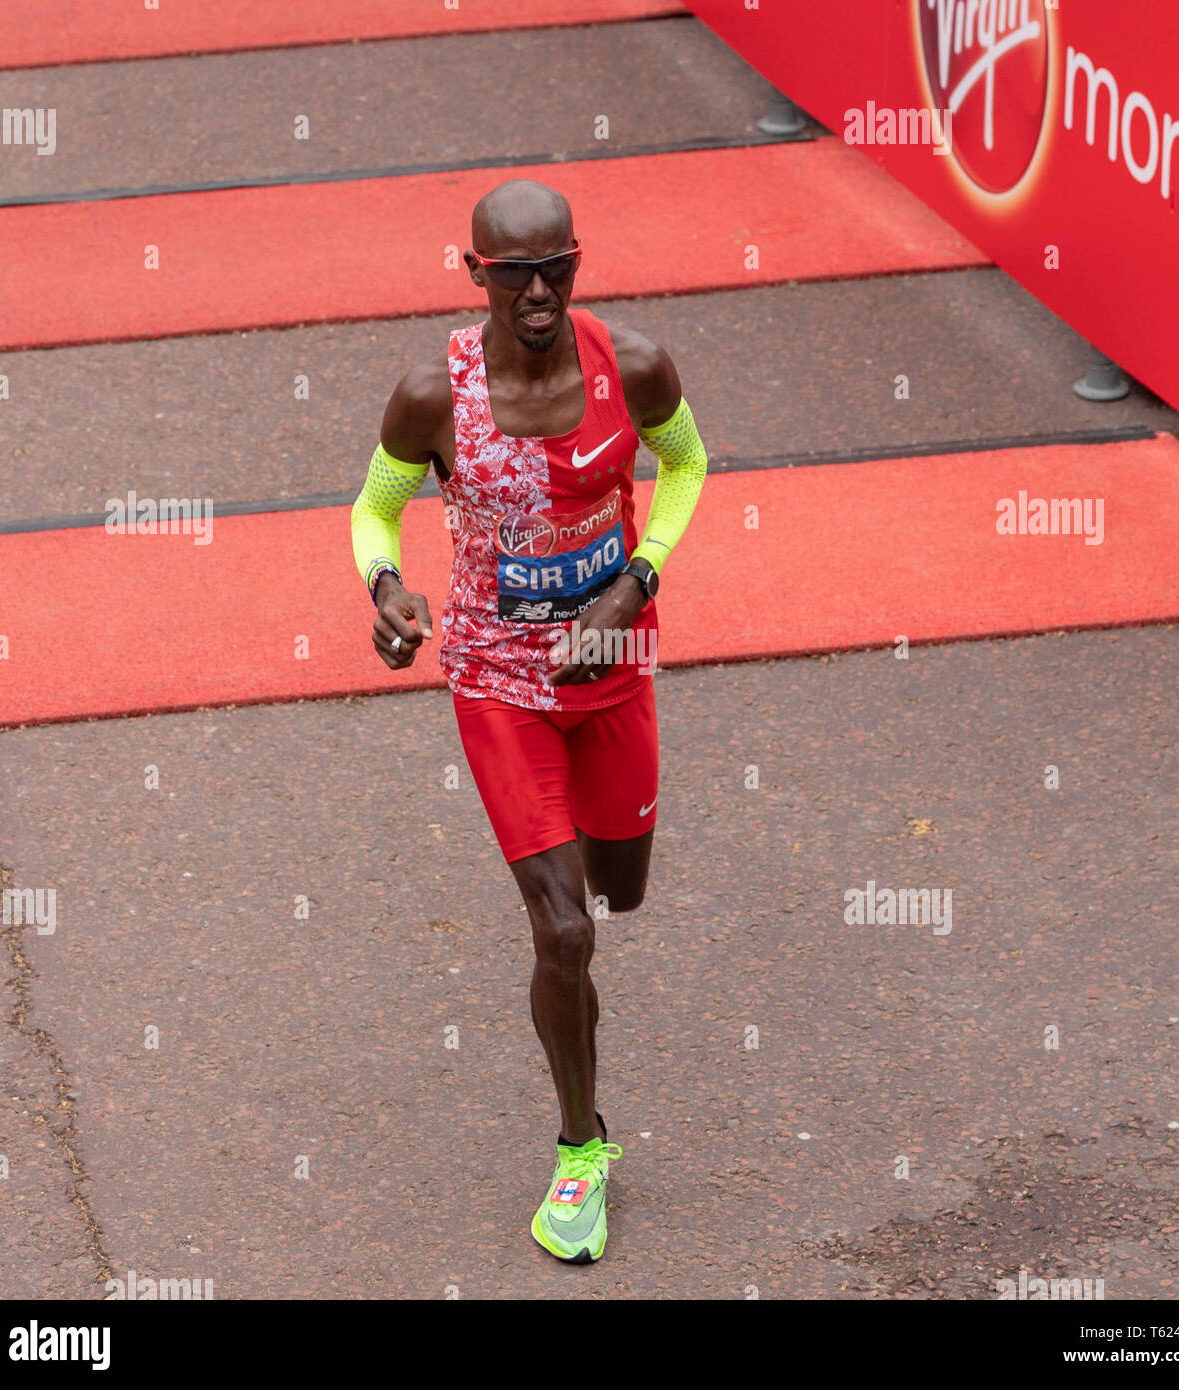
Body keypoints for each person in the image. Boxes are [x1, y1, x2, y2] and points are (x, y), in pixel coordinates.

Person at [350, 178, 707, 1263]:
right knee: (563, 930)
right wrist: (385, 591)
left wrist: (635, 580)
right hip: (499, 683)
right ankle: (579, 1151)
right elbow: (372, 510)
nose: (541, 291)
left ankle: (581, 976)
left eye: (558, 267)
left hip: (612, 668)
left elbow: (686, 466)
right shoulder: (432, 397)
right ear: (476, 278)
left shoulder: (633, 365)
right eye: (515, 275)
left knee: (620, 889)